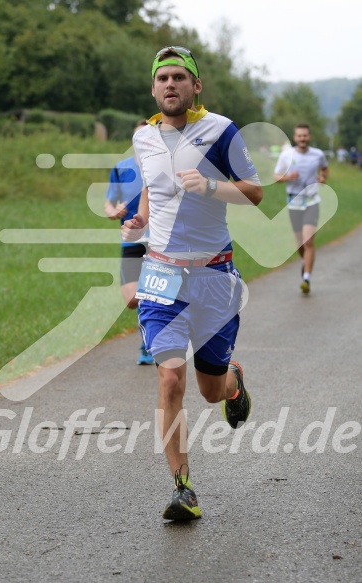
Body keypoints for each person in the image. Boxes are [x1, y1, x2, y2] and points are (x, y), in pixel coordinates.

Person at [122, 46, 263, 521]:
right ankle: (183, 487)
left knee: (208, 390)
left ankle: (233, 382)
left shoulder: (221, 130)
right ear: (153, 87)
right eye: (162, 78)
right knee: (169, 378)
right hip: (161, 273)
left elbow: (254, 192)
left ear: (195, 86)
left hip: (214, 276)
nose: (170, 85)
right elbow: (152, 181)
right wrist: (140, 215)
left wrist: (209, 186)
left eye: (180, 77)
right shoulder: (143, 136)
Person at [105, 120, 154, 365]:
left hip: (160, 242)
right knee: (132, 300)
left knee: (154, 292)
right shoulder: (121, 168)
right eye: (138, 137)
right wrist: (114, 211)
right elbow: (108, 202)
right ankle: (154, 325)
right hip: (131, 241)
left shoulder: (162, 169)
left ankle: (149, 342)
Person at [274, 124, 328, 294]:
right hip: (294, 202)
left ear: (309, 136)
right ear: (295, 137)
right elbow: (276, 176)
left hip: (312, 201)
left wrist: (323, 177)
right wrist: (287, 177)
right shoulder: (286, 155)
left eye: (305, 135)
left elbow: (325, 169)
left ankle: (306, 278)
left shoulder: (318, 154)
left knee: (309, 241)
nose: (302, 138)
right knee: (299, 244)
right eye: (299, 136)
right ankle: (306, 261)